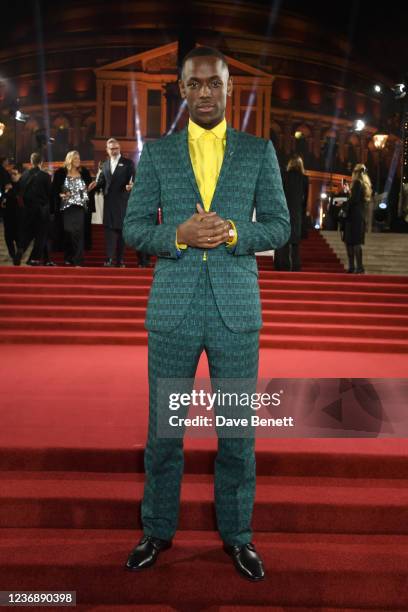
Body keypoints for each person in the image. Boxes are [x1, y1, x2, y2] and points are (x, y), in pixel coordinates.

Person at [123, 46, 290, 581]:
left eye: (213, 84)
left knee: (237, 433)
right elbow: (132, 228)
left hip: (236, 310)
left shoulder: (259, 151)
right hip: (172, 308)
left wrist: (238, 233)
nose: (204, 93)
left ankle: (239, 537)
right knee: (165, 433)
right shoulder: (158, 155)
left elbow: (282, 227)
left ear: (229, 88)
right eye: (194, 84)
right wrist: (177, 235)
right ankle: (156, 530)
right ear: (181, 89)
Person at [93, 138, 135, 267]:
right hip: (109, 203)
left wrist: (131, 186)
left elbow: (135, 180)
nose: (114, 151)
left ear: (119, 148)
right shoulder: (104, 164)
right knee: (109, 233)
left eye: (116, 148)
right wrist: (94, 185)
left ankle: (120, 260)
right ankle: (110, 259)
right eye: (111, 149)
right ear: (107, 150)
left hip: (123, 202)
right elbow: (101, 182)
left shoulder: (128, 163)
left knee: (122, 232)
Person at [52, 151, 93, 266]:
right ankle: (69, 256)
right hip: (66, 207)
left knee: (79, 233)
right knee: (68, 231)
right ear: (69, 159)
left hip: (80, 206)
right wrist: (62, 195)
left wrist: (90, 188)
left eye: (79, 158)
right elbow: (55, 191)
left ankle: (78, 260)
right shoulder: (60, 173)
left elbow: (86, 191)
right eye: (75, 158)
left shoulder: (84, 173)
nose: (78, 160)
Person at [16, 152, 52, 266]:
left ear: (31, 162)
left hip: (27, 210)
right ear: (41, 162)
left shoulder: (24, 175)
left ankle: (21, 249)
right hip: (41, 210)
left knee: (28, 233)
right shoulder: (45, 176)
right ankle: (34, 259)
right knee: (41, 235)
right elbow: (49, 194)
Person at [274, 155, 309, 271]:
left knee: (283, 240)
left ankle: (281, 265)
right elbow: (305, 199)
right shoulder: (304, 179)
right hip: (296, 213)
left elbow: (278, 195)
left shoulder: (283, 176)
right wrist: (302, 214)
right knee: (295, 242)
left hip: (283, 211)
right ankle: (296, 266)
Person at [341, 163, 372, 274]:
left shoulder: (357, 183)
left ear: (356, 173)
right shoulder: (364, 184)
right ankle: (358, 267)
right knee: (355, 242)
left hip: (353, 217)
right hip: (359, 217)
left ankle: (354, 267)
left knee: (350, 242)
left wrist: (344, 204)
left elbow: (353, 200)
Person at [1, 164, 24, 263]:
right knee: (8, 237)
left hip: (19, 218)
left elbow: (21, 200)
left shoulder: (23, 185)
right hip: (8, 217)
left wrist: (12, 191)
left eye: (15, 174)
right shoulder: (7, 185)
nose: (13, 176)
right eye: (11, 174)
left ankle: (18, 254)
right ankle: (13, 255)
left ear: (20, 175)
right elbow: (3, 197)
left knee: (19, 238)